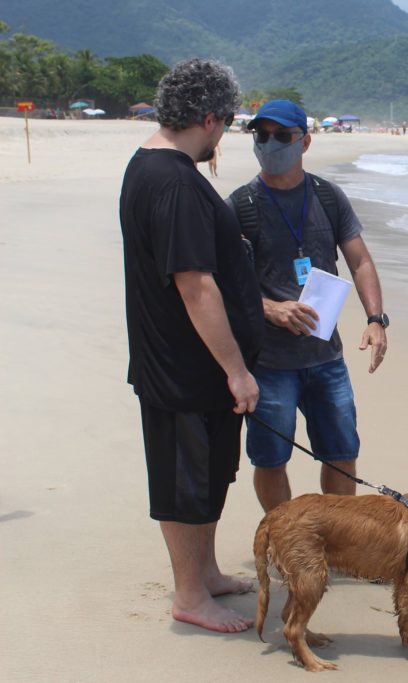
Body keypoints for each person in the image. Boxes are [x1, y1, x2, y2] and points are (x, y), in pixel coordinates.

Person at [119, 58, 263, 633]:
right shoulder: (174, 181)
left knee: (208, 476)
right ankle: (188, 594)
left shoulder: (153, 168)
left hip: (192, 370)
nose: (223, 136)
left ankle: (205, 573)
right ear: (209, 118)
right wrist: (237, 370)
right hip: (182, 369)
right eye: (226, 124)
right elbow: (195, 284)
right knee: (184, 481)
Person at [228, 99, 388, 513]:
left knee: (341, 451)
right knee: (271, 457)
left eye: (282, 135)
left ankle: (335, 539)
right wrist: (270, 308)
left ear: (305, 143)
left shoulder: (327, 197)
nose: (269, 143)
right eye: (261, 135)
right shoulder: (240, 205)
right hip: (268, 362)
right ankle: (286, 540)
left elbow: (360, 260)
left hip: (325, 357)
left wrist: (376, 320)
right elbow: (223, 284)